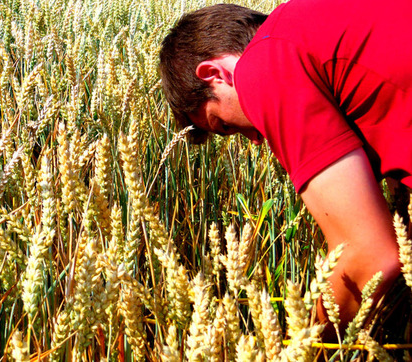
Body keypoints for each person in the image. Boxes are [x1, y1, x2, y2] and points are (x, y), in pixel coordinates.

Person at [159, 0, 411, 338]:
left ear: (214, 74)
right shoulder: (323, 24)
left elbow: (369, 254)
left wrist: (297, 347)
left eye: (226, 125)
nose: (255, 140)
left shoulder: (263, 64)